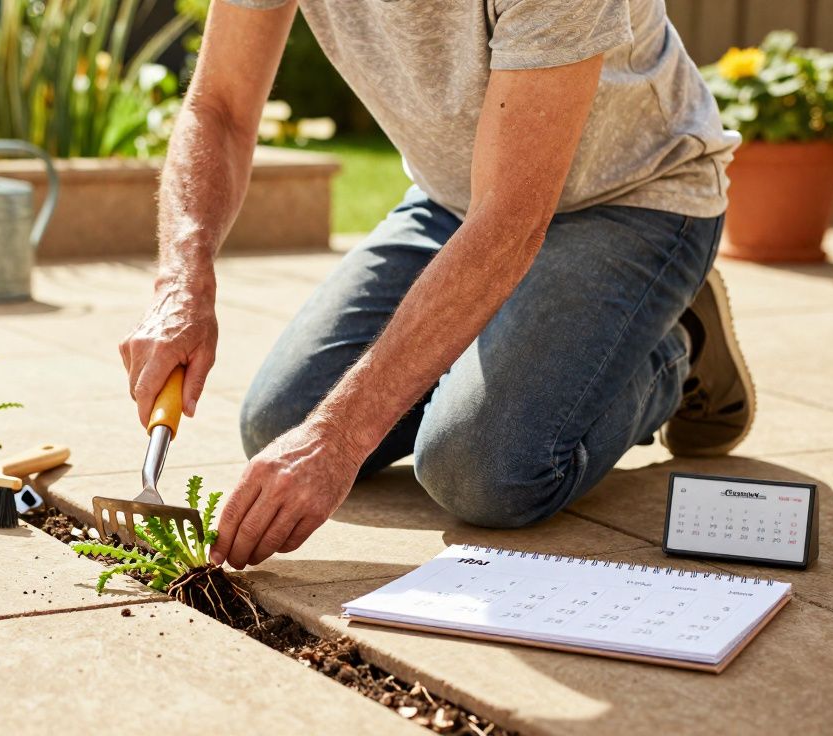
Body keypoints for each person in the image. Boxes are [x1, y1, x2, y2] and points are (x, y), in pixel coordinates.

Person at [118, 0, 755, 570]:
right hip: (454, 203)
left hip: (634, 198)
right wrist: (182, 283)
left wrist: (337, 438)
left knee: (482, 470)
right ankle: (555, 335)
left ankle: (676, 341)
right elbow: (221, 108)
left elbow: (508, 223)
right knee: (281, 422)